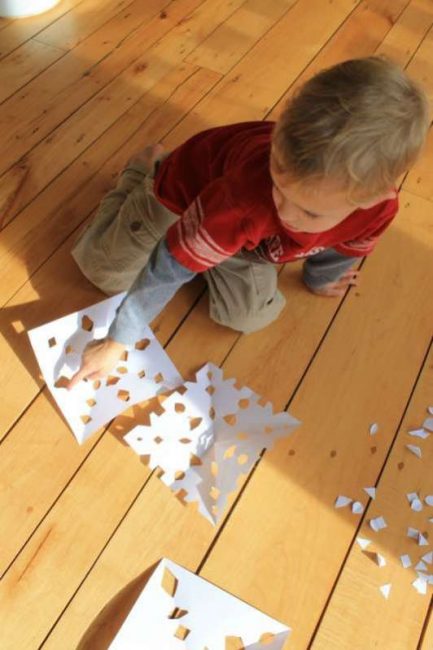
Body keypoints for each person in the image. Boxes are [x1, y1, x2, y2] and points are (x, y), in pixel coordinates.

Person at [68, 56, 429, 389]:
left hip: (242, 239)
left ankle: (208, 247)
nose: (284, 212)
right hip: (184, 197)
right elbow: (168, 267)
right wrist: (118, 341)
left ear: (372, 197)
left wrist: (321, 277)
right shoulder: (245, 197)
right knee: (104, 273)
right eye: (277, 180)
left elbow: (346, 245)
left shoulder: (378, 210)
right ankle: (143, 171)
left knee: (248, 317)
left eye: (309, 213)